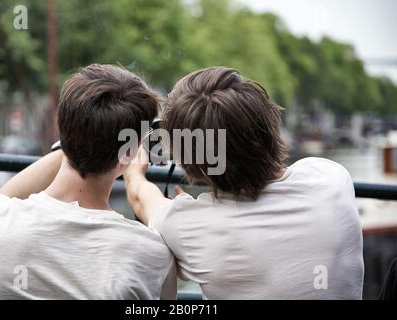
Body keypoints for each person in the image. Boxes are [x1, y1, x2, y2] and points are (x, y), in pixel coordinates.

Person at [123, 66, 364, 299]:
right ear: (268, 121)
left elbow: (140, 196)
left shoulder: (186, 227)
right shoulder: (332, 177)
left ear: (188, 157)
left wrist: (135, 170)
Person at [0, 64, 176, 300]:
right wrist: (136, 177)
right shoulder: (149, 253)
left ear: (62, 127)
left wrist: (76, 138)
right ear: (130, 152)